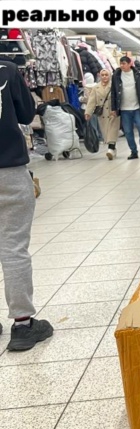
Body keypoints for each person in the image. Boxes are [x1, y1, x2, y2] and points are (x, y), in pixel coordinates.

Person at [0, 60, 54, 350]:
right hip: (7, 170)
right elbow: (26, 113)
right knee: (13, 246)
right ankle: (22, 325)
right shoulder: (6, 70)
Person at [110, 56, 140, 160]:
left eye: (124, 63)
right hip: (124, 109)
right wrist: (113, 108)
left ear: (130, 64)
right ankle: (133, 151)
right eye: (121, 63)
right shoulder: (116, 75)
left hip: (137, 107)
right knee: (128, 131)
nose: (122, 65)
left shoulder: (138, 74)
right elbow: (113, 92)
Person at [85, 68, 120, 160]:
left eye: (106, 75)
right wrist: (88, 112)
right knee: (106, 132)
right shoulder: (96, 88)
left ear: (110, 75)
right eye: (102, 75)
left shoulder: (114, 85)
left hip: (113, 112)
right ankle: (113, 148)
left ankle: (110, 149)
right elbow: (92, 101)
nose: (104, 77)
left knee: (112, 131)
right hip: (102, 114)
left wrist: (118, 109)